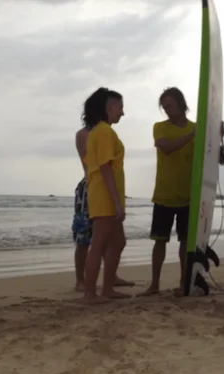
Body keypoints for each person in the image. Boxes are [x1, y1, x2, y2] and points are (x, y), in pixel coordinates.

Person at [141, 87, 195, 295]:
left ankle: (183, 283)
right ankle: (154, 284)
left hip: (188, 197)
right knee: (159, 242)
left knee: (185, 243)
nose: (166, 110)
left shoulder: (195, 129)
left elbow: (214, 157)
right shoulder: (160, 127)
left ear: (181, 103)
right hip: (164, 195)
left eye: (169, 105)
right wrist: (192, 135)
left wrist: (216, 135)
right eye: (164, 107)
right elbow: (166, 147)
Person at [72, 122, 134, 292]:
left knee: (111, 237)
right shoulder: (87, 133)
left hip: (106, 186)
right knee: (85, 237)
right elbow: (97, 162)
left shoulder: (105, 132)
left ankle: (110, 277)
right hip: (91, 186)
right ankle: (80, 280)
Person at [82, 87, 129, 304]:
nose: (122, 112)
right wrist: (117, 202)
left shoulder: (101, 131)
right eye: (120, 107)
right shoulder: (103, 132)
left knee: (118, 241)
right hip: (104, 195)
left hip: (106, 194)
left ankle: (107, 288)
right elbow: (105, 168)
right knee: (99, 243)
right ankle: (90, 293)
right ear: (110, 107)